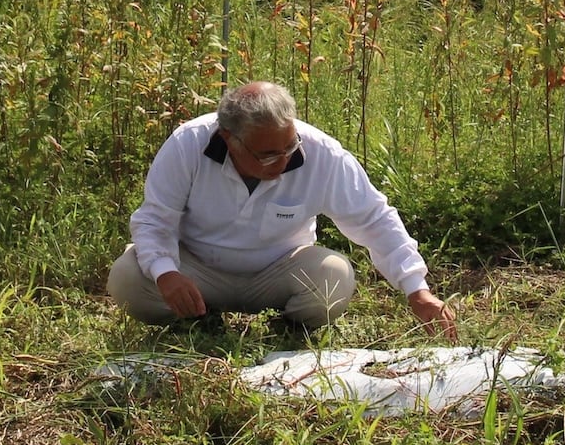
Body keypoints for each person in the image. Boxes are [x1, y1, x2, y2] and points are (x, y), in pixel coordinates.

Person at [111, 81, 458, 340]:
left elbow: (374, 218)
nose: (284, 160)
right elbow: (155, 219)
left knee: (334, 277)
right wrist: (167, 273)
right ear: (229, 139)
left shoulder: (322, 154)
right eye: (267, 155)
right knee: (129, 277)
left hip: (278, 273)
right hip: (199, 271)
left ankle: (287, 327)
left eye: (290, 146)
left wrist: (417, 289)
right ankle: (199, 315)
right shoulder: (188, 144)